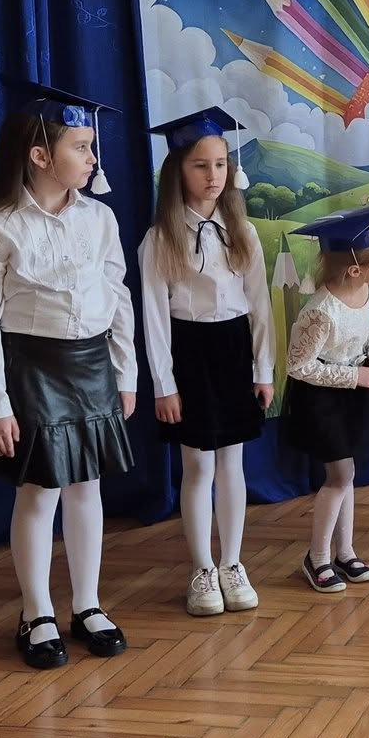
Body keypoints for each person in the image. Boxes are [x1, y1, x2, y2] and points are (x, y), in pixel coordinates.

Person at [0, 83, 138, 669]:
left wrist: (126, 372)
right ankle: (36, 611)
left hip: (92, 365)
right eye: (81, 147)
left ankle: (87, 604)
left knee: (87, 486)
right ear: (40, 155)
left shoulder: (100, 218)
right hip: (31, 367)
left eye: (91, 146)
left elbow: (117, 295)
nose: (93, 158)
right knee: (40, 491)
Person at [138, 108, 274, 617]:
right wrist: (164, 385)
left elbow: (260, 306)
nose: (213, 175)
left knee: (232, 462)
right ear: (178, 170)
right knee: (197, 465)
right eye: (200, 165)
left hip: (233, 349)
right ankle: (202, 569)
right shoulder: (159, 239)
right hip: (189, 353)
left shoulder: (244, 232)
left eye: (220, 164)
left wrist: (263, 370)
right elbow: (154, 317)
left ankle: (232, 563)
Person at [284, 205, 369, 593]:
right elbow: (298, 366)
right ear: (354, 270)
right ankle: (317, 558)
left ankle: (345, 552)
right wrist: (353, 376)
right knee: (340, 475)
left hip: (355, 393)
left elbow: (365, 330)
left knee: (348, 474)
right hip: (322, 400)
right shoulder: (320, 312)